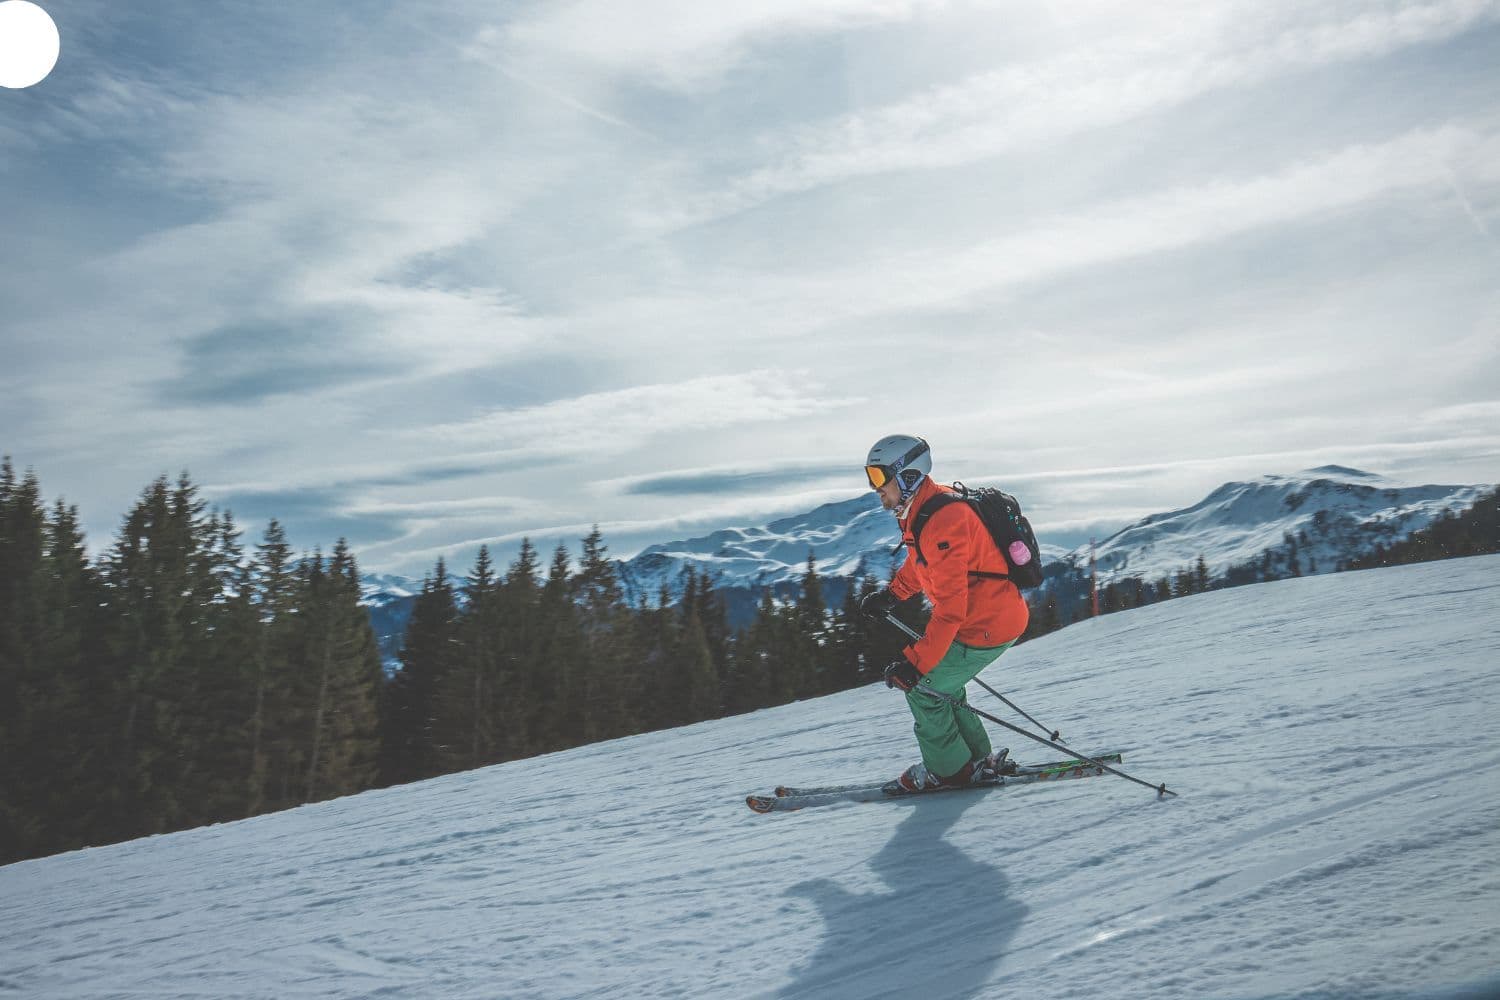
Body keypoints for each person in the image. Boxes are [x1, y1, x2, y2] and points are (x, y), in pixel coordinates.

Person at [859, 434, 1030, 792]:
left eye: (879, 478)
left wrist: (915, 665)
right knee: (944, 687)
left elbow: (951, 611)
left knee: (924, 690)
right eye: (870, 477)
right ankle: (976, 759)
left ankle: (950, 771)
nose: (876, 489)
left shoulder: (942, 520)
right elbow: (921, 564)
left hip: (986, 625)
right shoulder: (924, 510)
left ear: (907, 475)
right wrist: (891, 595)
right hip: (987, 619)